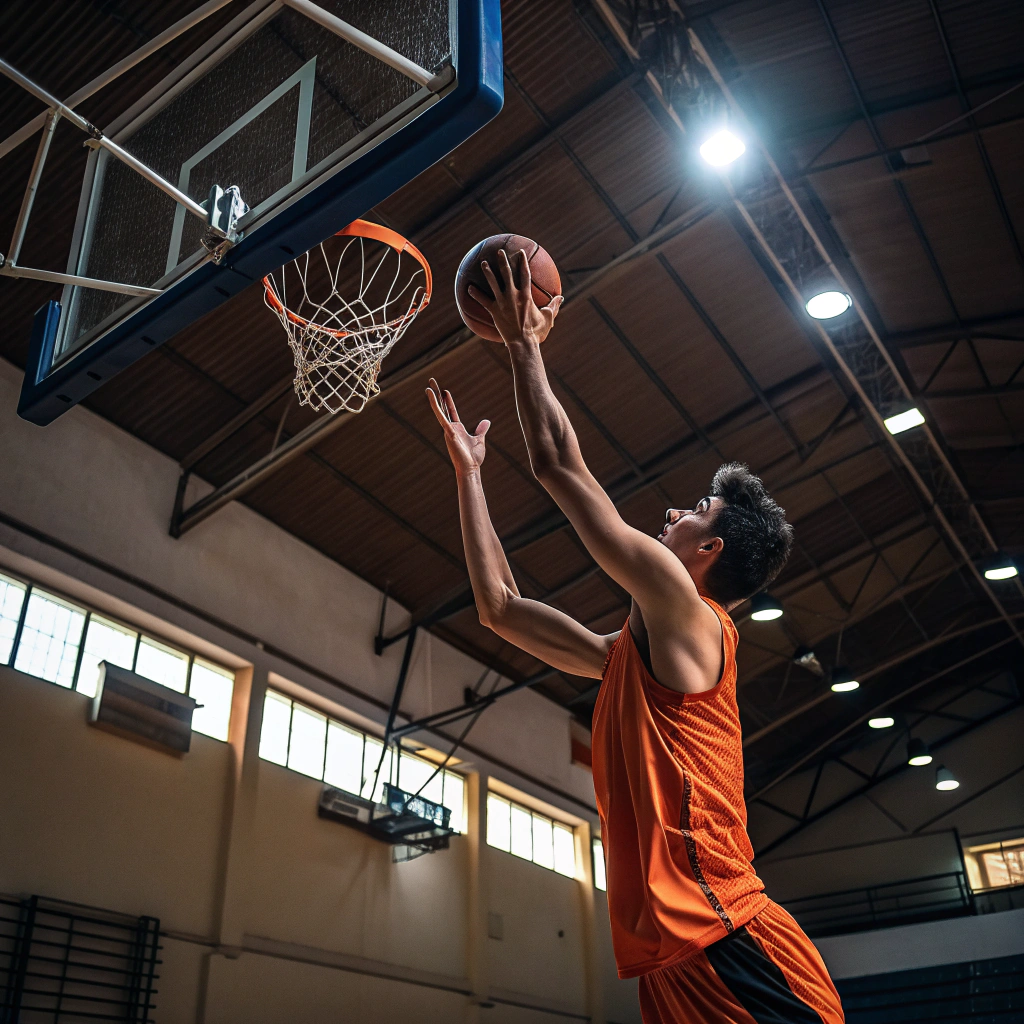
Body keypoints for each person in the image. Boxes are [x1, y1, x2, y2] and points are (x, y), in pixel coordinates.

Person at [427, 248, 845, 1023]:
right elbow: (502, 608)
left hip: (729, 932)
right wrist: (470, 476)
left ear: (710, 552)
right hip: (676, 954)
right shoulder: (636, 661)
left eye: (693, 513)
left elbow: (557, 463)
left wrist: (525, 343)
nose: (671, 517)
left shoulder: (692, 615)